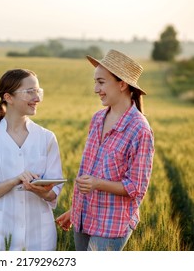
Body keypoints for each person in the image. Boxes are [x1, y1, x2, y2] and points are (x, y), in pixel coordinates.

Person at [56, 49, 155, 251]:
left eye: (101, 82)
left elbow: (136, 187)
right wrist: (75, 210)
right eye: (95, 82)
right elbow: (93, 171)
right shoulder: (98, 119)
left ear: (122, 84)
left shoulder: (140, 129)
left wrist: (97, 184)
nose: (96, 89)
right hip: (84, 218)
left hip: (112, 223)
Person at [0, 68, 64, 251]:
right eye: (30, 92)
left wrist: (40, 190)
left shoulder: (47, 138)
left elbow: (54, 193)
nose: (36, 98)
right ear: (9, 97)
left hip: (40, 237)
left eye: (38, 91)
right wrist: (15, 181)